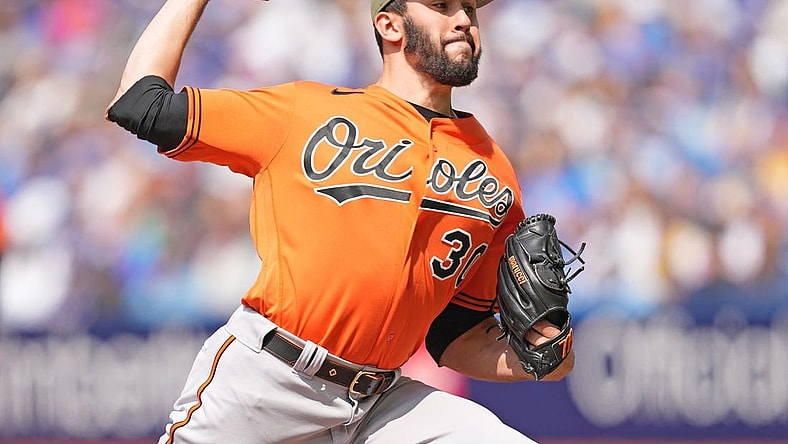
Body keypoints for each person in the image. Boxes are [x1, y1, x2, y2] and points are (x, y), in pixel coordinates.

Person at [106, 0, 575, 442]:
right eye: (441, 5)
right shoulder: (305, 113)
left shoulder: (492, 168)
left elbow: (453, 335)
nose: (463, 20)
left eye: (469, 9)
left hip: (379, 402)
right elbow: (140, 103)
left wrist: (541, 353)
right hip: (268, 382)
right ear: (389, 25)